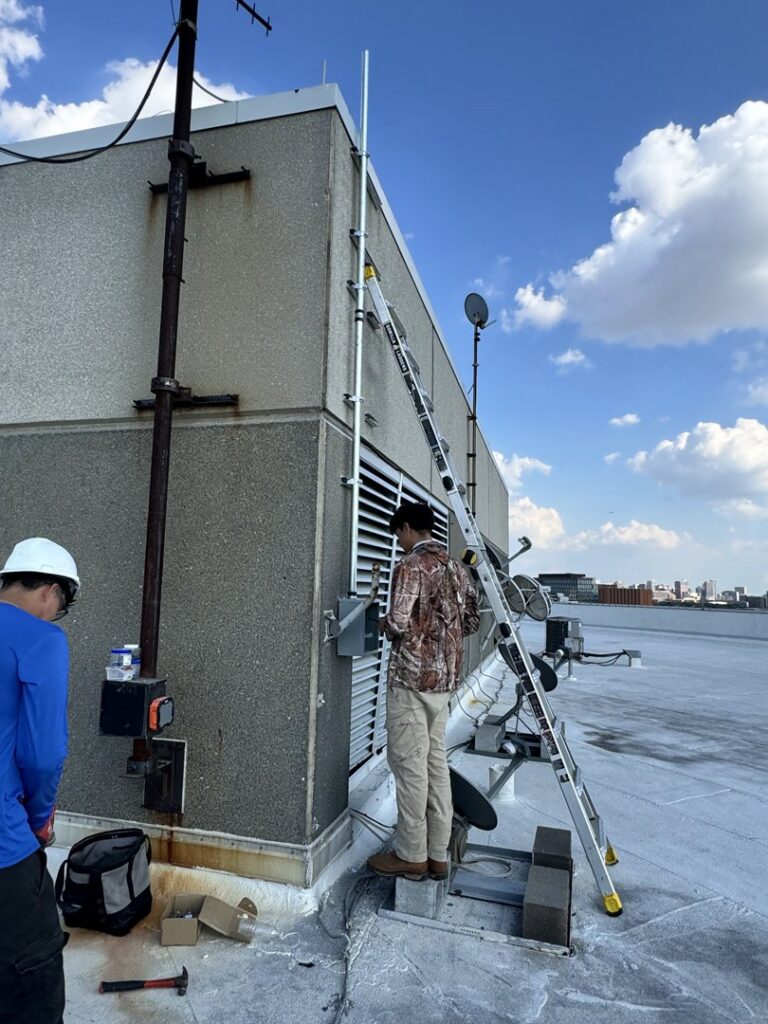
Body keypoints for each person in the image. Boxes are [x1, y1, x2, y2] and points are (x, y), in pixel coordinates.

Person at [368, 501, 479, 882]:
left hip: (412, 682)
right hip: (444, 683)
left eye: (398, 534)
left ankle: (411, 854)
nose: (398, 541)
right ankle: (438, 854)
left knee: (408, 765)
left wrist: (382, 623)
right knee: (435, 764)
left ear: (407, 528)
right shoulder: (456, 568)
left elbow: (398, 622)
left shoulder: (410, 565)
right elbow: (471, 622)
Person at [0, 538, 80, 1024]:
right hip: (5, 850)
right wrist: (37, 821)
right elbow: (43, 752)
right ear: (51, 590)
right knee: (31, 991)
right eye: (61, 605)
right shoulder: (41, 639)